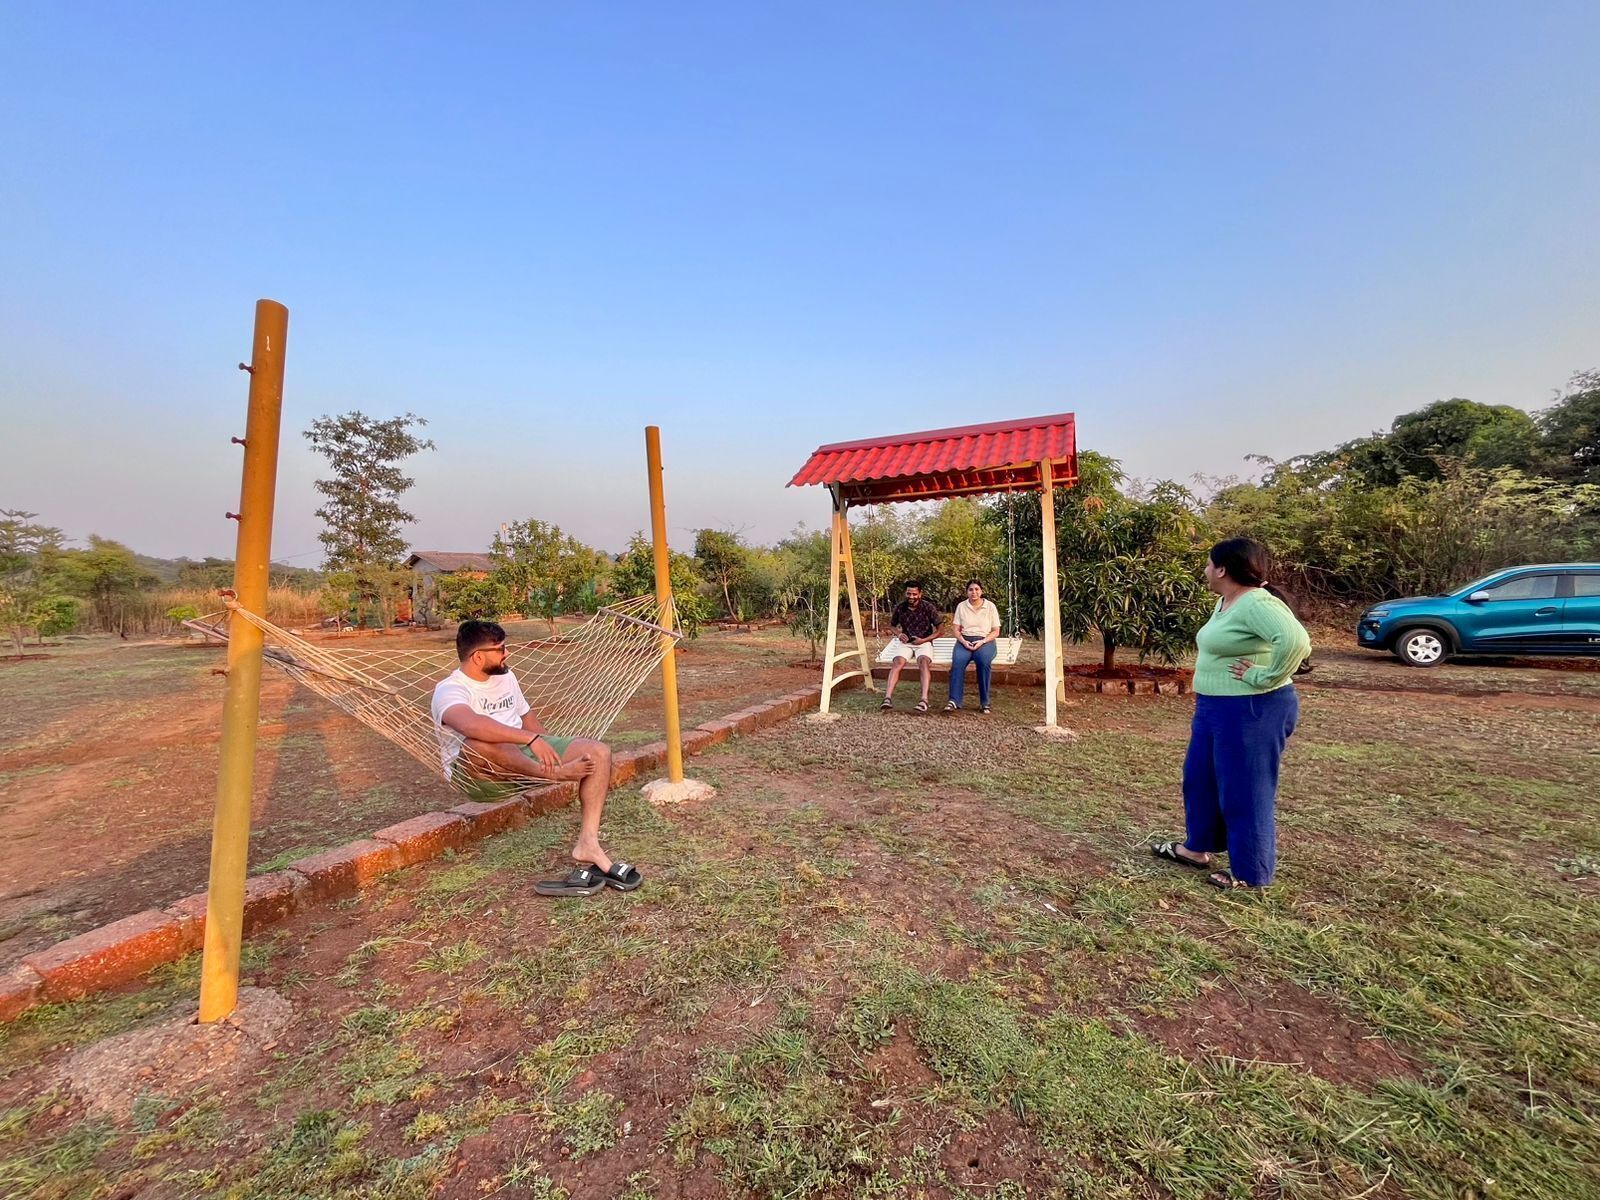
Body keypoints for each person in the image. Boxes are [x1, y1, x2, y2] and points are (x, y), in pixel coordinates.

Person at [431, 619, 641, 898]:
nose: (507, 654)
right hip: (480, 774)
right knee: (481, 741)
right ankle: (553, 774)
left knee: (598, 752)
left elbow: (529, 721)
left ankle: (588, 843)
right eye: (500, 649)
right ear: (478, 656)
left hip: (520, 765)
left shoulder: (506, 677)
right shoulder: (450, 690)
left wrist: (548, 747)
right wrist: (532, 743)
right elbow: (470, 724)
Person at [1152, 538, 1312, 890]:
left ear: (1223, 569)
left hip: (1251, 709)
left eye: (1209, 564)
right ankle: (1196, 849)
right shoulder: (1227, 602)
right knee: (1200, 779)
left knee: (1245, 789)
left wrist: (1263, 676)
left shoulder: (1256, 602)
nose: (1206, 570)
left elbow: (1296, 641)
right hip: (1215, 707)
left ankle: (1251, 873)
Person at [882, 581, 942, 713]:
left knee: (923, 662)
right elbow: (892, 625)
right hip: (907, 642)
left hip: (924, 641)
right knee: (897, 662)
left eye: (914, 594)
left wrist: (924, 640)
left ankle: (924, 699)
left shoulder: (928, 607)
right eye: (909, 593)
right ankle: (887, 698)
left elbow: (940, 630)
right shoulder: (900, 607)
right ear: (905, 593)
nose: (911, 596)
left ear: (920, 594)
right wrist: (899, 634)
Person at [945, 579, 1002, 714]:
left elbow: (996, 631)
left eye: (976, 589)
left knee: (983, 662)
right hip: (965, 640)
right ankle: (954, 700)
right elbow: (956, 629)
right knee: (957, 663)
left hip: (985, 640)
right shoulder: (961, 606)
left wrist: (982, 642)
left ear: (981, 591)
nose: (974, 592)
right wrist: (963, 641)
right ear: (967, 592)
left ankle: (985, 702)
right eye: (971, 589)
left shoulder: (990, 606)